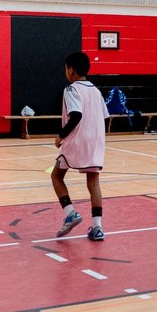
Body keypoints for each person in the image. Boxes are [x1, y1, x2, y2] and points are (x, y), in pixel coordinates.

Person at [53, 51, 107, 240]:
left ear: (71, 70)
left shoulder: (71, 89)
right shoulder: (96, 91)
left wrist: (61, 136)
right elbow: (105, 117)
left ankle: (70, 213)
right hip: (96, 141)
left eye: (66, 69)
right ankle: (97, 227)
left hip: (77, 140)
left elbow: (76, 115)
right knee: (94, 183)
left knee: (56, 175)